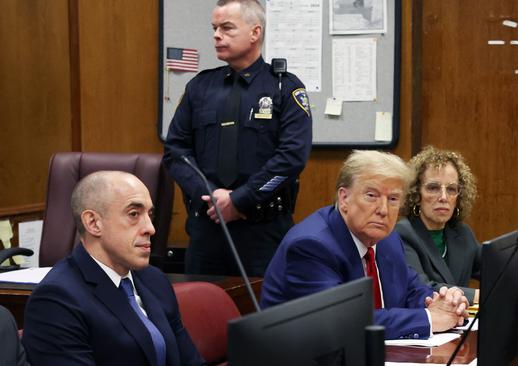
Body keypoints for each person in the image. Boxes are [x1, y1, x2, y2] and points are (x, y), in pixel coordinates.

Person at [163, 0, 312, 277]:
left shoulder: (284, 88)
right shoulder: (200, 87)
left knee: (265, 317)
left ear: (255, 33)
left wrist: (240, 200)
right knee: (201, 313)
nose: (217, 35)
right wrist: (211, 196)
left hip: (263, 231)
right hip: (207, 229)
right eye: (214, 28)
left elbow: (292, 156)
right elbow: (176, 151)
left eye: (227, 28)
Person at [261, 150, 468, 340]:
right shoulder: (311, 246)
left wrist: (442, 304)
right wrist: (429, 319)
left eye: (393, 198)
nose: (383, 210)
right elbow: (343, 322)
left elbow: (411, 290)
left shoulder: (388, 239)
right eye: (372, 196)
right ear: (344, 198)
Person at [22, 171, 204, 366]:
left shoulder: (153, 279)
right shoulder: (57, 300)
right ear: (93, 223)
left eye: (149, 215)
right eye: (134, 214)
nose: (150, 228)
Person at [395, 146, 482, 304]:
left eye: (451, 189)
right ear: (416, 194)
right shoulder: (403, 233)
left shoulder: (462, 233)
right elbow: (422, 288)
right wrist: (476, 296)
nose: (443, 197)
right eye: (433, 188)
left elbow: (494, 271)